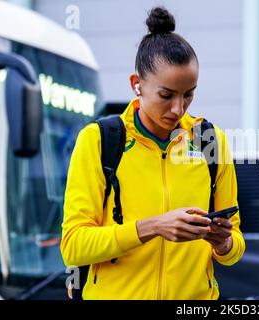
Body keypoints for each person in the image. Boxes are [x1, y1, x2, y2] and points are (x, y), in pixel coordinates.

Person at [60, 6, 245, 300]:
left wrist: (223, 244)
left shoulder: (211, 141)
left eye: (189, 94)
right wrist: (154, 227)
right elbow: (74, 245)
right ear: (137, 85)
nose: (178, 108)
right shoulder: (98, 141)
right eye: (166, 95)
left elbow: (235, 248)